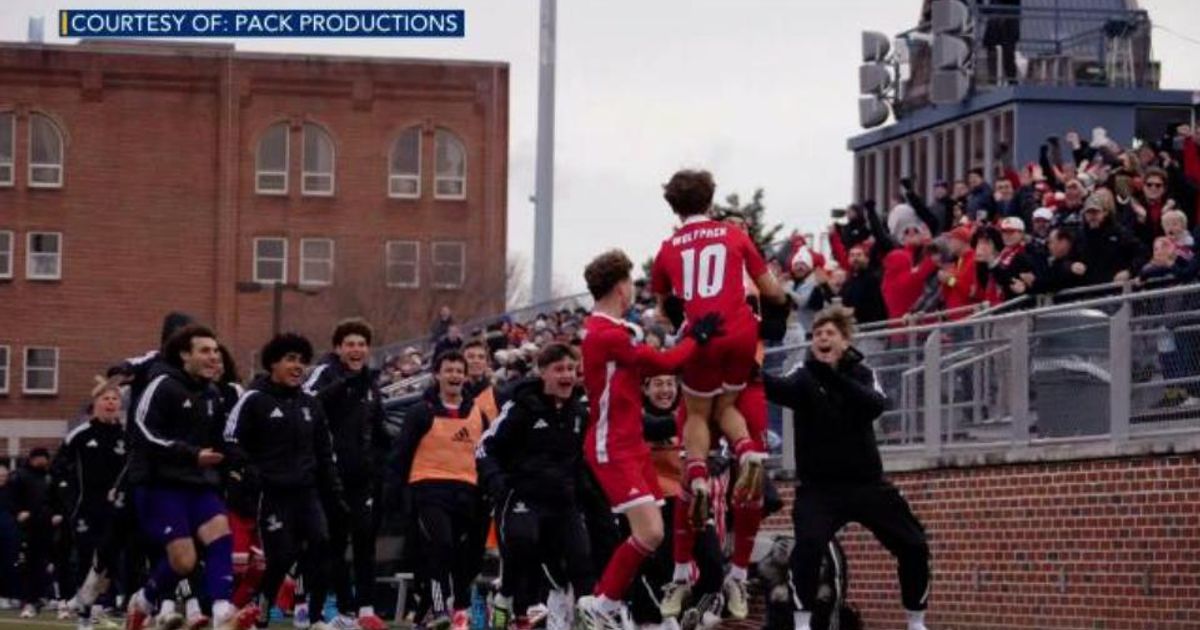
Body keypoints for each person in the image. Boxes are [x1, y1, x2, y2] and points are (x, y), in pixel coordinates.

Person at [575, 249, 721, 630]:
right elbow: (664, 364)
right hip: (612, 446)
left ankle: (627, 606)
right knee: (651, 532)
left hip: (632, 443)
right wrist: (696, 337)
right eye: (629, 282)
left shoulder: (614, 330)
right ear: (620, 288)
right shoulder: (605, 333)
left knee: (656, 535)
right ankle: (602, 603)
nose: (631, 289)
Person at [763, 306, 930, 630]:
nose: (822, 338)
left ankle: (916, 620)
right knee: (808, 547)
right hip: (820, 489)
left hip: (867, 484)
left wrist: (834, 377)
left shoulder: (862, 374)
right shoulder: (804, 375)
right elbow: (774, 387)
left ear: (845, 342)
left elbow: (874, 405)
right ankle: (801, 623)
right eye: (817, 335)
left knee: (913, 544)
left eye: (830, 334)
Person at [650, 169, 785, 534]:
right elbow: (772, 291)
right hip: (741, 334)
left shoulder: (668, 248)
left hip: (701, 336)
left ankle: (696, 479)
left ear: (674, 208)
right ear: (710, 201)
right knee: (726, 405)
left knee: (697, 412)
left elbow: (664, 308)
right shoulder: (733, 235)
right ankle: (747, 451)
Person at [124, 324, 255, 630]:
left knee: (220, 532)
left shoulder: (212, 394)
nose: (213, 357)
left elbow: (223, 440)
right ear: (185, 355)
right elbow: (142, 432)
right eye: (205, 351)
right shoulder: (163, 385)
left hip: (198, 484)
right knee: (184, 561)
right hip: (160, 486)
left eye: (215, 351)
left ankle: (222, 610)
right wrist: (191, 454)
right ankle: (142, 601)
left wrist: (241, 460)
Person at [224, 333, 347, 630]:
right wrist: (252, 473)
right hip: (271, 494)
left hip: (306, 493)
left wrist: (335, 492)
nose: (298, 367)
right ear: (273, 364)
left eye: (302, 361)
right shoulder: (254, 399)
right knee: (279, 558)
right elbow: (230, 440)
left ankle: (315, 618)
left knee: (320, 545)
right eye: (290, 360)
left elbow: (324, 451)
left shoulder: (310, 405)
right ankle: (260, 613)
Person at [475, 343, 594, 630]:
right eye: (559, 369)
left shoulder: (579, 413)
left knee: (581, 556)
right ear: (543, 373)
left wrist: (583, 493)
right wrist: (497, 482)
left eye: (571, 368)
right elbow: (485, 447)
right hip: (522, 494)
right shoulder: (521, 407)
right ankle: (505, 598)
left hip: (562, 500)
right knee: (522, 540)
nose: (567, 375)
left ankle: (575, 615)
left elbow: (580, 460)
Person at [302, 319, 391, 630]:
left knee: (365, 539)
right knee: (332, 544)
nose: (357, 350)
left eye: (362, 344)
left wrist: (386, 459)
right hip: (329, 476)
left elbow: (377, 427)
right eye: (350, 344)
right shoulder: (324, 374)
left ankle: (365, 608)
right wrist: (343, 386)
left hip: (362, 477)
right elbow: (306, 403)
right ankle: (331, 608)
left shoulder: (370, 383)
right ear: (338, 348)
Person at [394, 350, 490, 630]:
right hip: (429, 490)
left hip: (468, 493)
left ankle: (448, 610)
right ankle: (440, 610)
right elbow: (400, 455)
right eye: (449, 370)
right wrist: (398, 495)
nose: (455, 376)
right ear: (437, 374)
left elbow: (485, 454)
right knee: (441, 545)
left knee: (468, 559)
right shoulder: (420, 412)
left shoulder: (477, 413)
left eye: (459, 371)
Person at [51, 382, 127, 629]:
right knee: (85, 556)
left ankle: (89, 603)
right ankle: (84, 616)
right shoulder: (80, 434)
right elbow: (59, 468)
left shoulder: (127, 437)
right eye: (105, 399)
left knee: (108, 560)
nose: (110, 403)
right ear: (95, 404)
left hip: (116, 510)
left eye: (115, 399)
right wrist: (69, 500)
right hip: (85, 508)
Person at [9, 447, 59, 619]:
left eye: (44, 458)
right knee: (27, 565)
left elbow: (56, 498)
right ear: (31, 459)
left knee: (44, 565)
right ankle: (27, 601)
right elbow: (11, 499)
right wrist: (19, 512)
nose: (41, 461)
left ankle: (40, 598)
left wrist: (56, 514)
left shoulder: (50, 476)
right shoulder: (20, 476)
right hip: (27, 528)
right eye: (38, 458)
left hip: (47, 527)